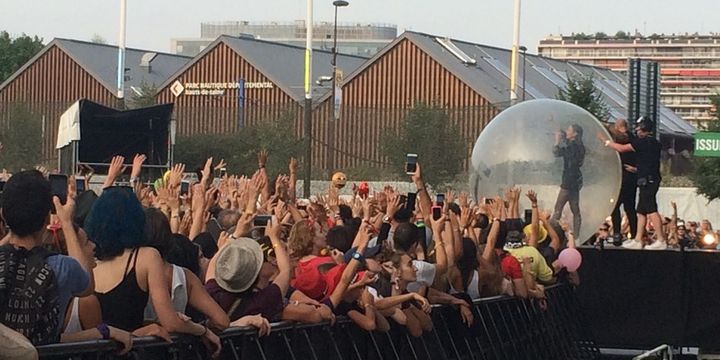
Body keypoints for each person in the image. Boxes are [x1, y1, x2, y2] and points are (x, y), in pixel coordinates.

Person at [85, 186, 222, 357]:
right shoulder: (146, 257)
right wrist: (202, 330)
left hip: (95, 353)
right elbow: (171, 322)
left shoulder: (89, 263)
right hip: (132, 353)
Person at [0, 171, 94, 345]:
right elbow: (87, 284)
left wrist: (13, 226)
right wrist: (66, 222)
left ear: (3, 215)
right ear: (46, 219)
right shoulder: (63, 267)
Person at [600, 117, 666, 249]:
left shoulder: (643, 142)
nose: (636, 130)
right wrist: (637, 169)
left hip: (648, 180)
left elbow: (621, 148)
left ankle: (660, 239)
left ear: (644, 128)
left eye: (638, 127)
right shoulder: (654, 142)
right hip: (646, 177)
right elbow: (649, 162)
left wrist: (605, 141)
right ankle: (637, 239)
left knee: (651, 209)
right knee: (641, 210)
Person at [607, 119, 638, 244]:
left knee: (617, 207)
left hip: (623, 178)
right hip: (629, 179)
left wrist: (606, 140)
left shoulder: (627, 140)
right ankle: (634, 234)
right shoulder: (634, 138)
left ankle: (617, 234)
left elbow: (620, 146)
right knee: (629, 208)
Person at [552, 124, 586, 236]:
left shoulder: (573, 147)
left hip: (568, 180)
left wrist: (556, 141)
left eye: (569, 130)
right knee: (575, 209)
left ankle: (552, 234)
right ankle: (577, 236)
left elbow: (557, 153)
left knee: (558, 208)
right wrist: (555, 123)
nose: (566, 131)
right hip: (575, 180)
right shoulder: (579, 145)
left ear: (575, 134)